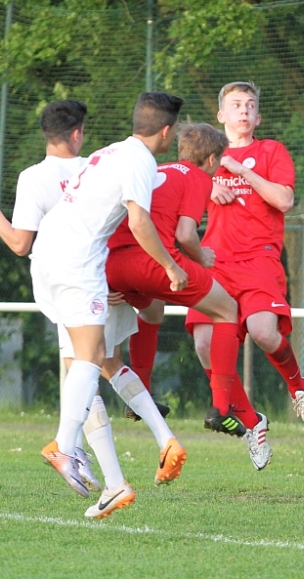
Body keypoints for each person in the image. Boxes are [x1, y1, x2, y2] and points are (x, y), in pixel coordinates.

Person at [0, 100, 140, 519]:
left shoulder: (34, 177)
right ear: (78, 133)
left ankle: (92, 466)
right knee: (93, 366)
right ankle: (77, 454)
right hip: (94, 280)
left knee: (85, 368)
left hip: (60, 283)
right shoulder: (94, 168)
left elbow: (19, 243)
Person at [30, 92, 189, 513]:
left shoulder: (110, 151)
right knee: (91, 357)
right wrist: (171, 267)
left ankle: (114, 484)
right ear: (166, 131)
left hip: (50, 255)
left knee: (94, 358)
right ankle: (65, 446)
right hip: (77, 260)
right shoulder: (141, 161)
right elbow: (139, 221)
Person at [106, 122, 271, 470]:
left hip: (114, 263)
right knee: (227, 310)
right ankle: (221, 408)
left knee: (152, 312)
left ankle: (141, 392)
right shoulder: (199, 177)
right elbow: (184, 234)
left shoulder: (157, 169)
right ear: (211, 159)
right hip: (152, 262)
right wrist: (200, 256)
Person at [185, 81, 304, 440]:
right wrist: (208, 184)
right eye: (236, 104)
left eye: (249, 105)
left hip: (259, 258)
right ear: (221, 115)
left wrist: (241, 170)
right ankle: (249, 418)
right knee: (204, 345)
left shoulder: (271, 151)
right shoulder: (206, 158)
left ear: (258, 117)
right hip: (215, 261)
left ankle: (299, 388)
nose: (243, 110)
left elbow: (284, 200)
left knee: (263, 332)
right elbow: (180, 193)